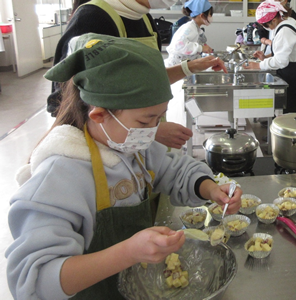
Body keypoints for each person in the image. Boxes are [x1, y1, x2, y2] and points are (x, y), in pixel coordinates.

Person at [6, 34, 242, 299]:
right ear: (99, 114)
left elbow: (172, 169)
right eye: (145, 122)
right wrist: (127, 252)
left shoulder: (130, 146)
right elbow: (34, 280)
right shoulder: (59, 177)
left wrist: (210, 188)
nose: (154, 131)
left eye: (158, 118)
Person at [48, 0, 227, 149]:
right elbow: (66, 104)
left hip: (140, 145)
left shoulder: (145, 20)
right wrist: (148, 132)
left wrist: (190, 67)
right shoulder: (93, 18)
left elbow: (144, 81)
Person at [245, 0, 296, 114]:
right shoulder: (284, 24)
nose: (266, 28)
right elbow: (284, 53)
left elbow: (281, 61)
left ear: (274, 20)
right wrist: (266, 58)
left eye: (266, 25)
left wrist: (259, 65)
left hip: (292, 78)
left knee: (292, 115)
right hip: (291, 73)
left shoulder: (284, 31)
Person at [164, 0, 214, 66]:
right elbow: (179, 45)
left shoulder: (196, 28)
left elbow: (192, 44)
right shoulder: (190, 28)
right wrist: (200, 48)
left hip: (182, 65)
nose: (211, 17)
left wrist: (203, 47)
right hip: (175, 66)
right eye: (210, 14)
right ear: (202, 15)